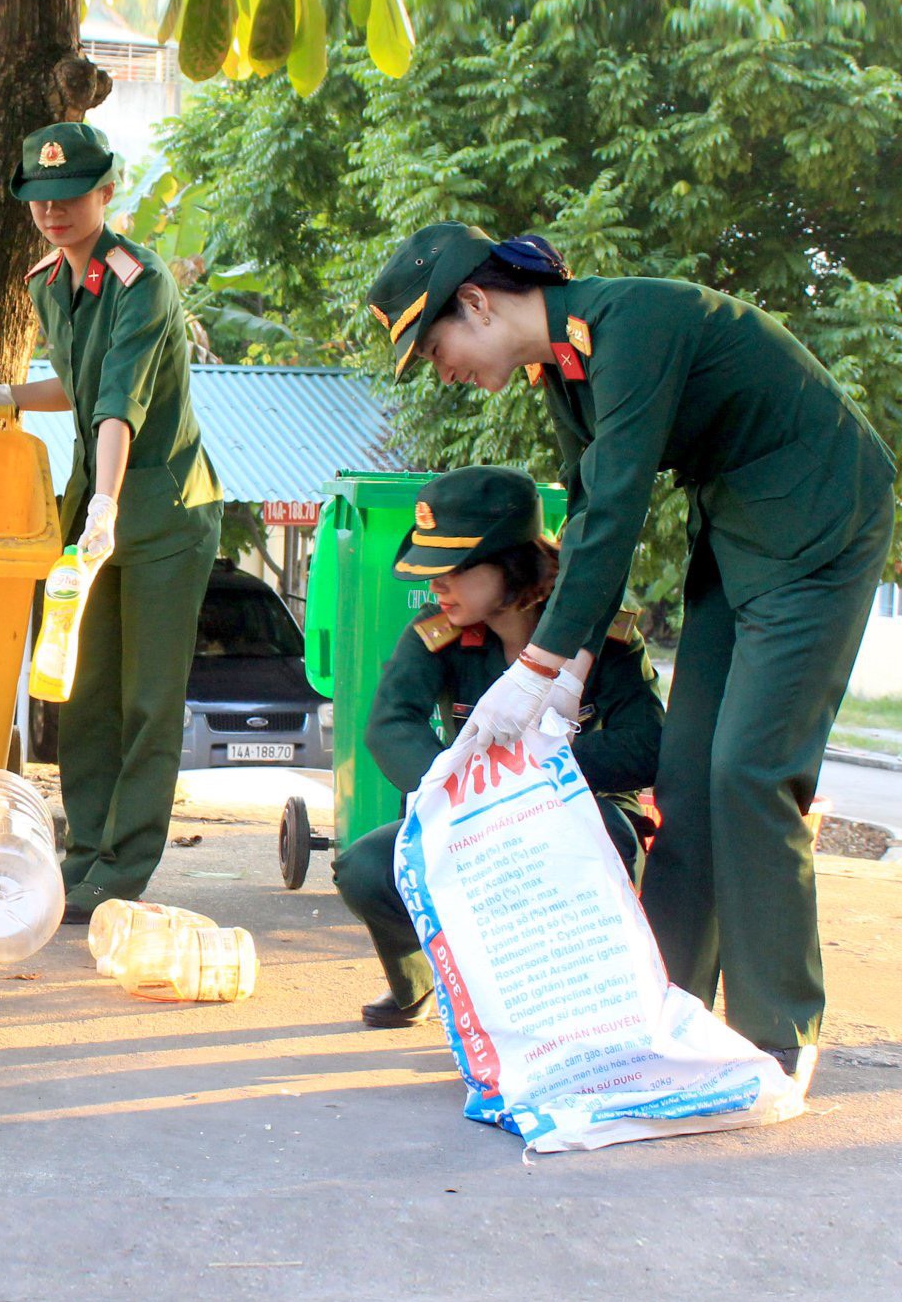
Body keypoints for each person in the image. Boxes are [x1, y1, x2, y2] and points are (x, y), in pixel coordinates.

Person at [366, 222, 895, 1082]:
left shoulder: (630, 325)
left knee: (752, 772)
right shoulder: (565, 371)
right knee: (685, 781)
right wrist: (568, 678)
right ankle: (668, 1011)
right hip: (737, 531)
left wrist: (533, 666)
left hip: (820, 519)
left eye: (437, 347)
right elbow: (583, 521)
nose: (445, 369)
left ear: (476, 302)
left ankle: (779, 1033)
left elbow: (618, 511)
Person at [0, 122, 223, 921]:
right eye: (40, 199)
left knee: (146, 699)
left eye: (71, 197)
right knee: (85, 692)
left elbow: (117, 403)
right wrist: (9, 396)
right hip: (92, 508)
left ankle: (124, 868)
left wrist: (103, 504)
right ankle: (82, 853)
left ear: (106, 192)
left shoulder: (144, 282)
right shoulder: (45, 282)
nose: (54, 212)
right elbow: (78, 380)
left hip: (163, 510)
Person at [332, 466, 664, 1028]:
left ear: (510, 565)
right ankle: (417, 978)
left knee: (613, 835)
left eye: (452, 570)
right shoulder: (438, 630)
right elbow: (390, 726)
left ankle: (591, 1004)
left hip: (574, 813)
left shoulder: (599, 635)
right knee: (364, 869)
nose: (435, 584)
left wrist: (532, 775)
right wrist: (466, 790)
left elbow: (648, 745)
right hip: (468, 813)